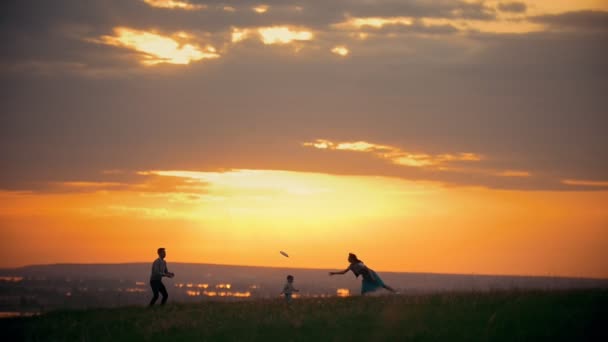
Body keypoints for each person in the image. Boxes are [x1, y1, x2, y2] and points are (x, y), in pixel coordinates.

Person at [329, 253, 396, 295]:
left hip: (371, 274)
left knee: (382, 285)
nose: (348, 259)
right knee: (364, 290)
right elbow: (344, 272)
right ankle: (363, 299)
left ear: (352, 258)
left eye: (349, 258)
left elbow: (367, 269)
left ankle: (394, 292)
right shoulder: (351, 265)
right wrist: (334, 273)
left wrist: (372, 277)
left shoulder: (359, 264)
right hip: (366, 277)